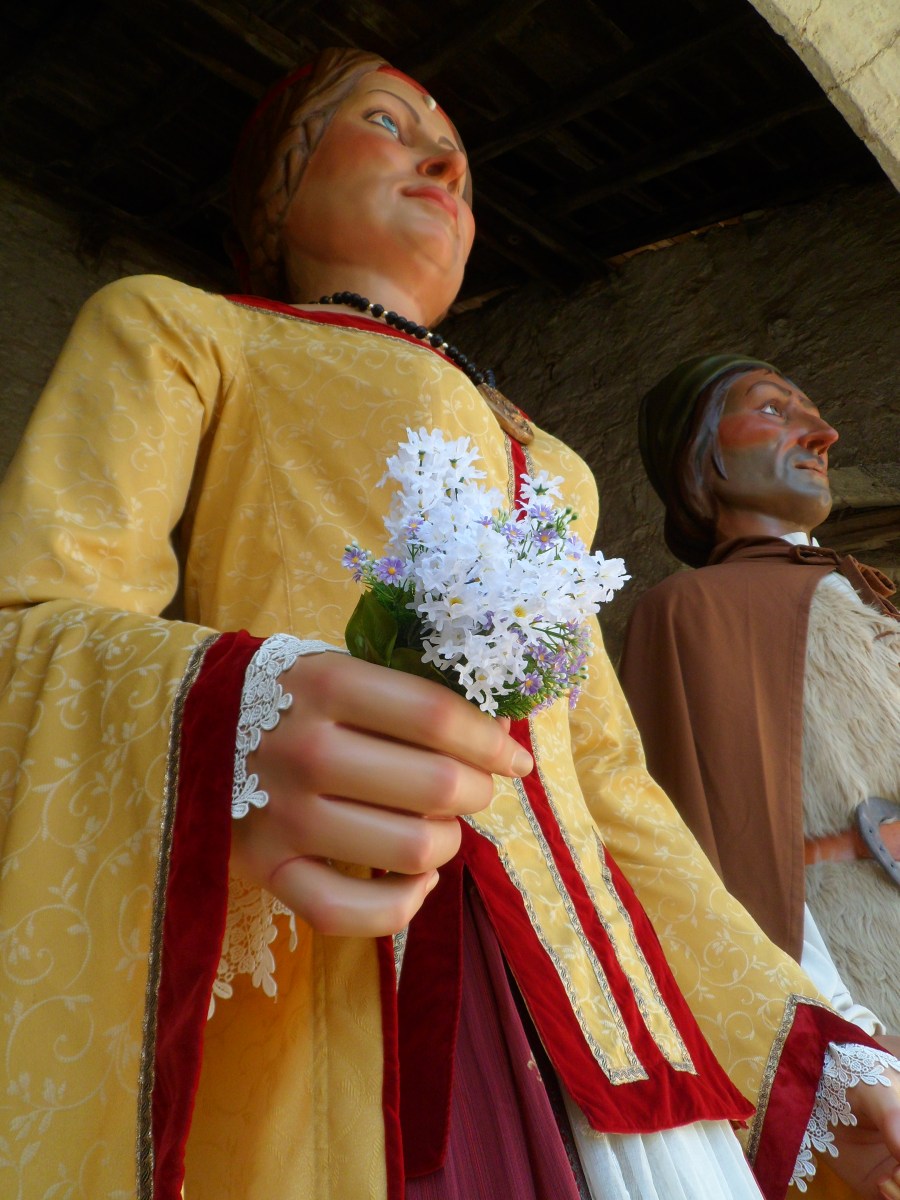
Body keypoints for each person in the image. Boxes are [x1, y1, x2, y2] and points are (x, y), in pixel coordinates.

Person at [2, 53, 900, 1200]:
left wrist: (799, 1040)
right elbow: (29, 620)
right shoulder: (186, 330)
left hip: (589, 1007)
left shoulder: (553, 465)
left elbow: (609, 787)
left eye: (462, 162)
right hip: (335, 925)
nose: (441, 162)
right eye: (386, 123)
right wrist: (236, 719)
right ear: (278, 187)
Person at [620, 355, 900, 1038]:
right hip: (856, 977)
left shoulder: (869, 597)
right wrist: (835, 1025)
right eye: (774, 409)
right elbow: (720, 840)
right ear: (700, 453)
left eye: (812, 414)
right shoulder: (693, 610)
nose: (824, 435)